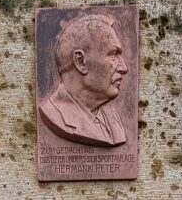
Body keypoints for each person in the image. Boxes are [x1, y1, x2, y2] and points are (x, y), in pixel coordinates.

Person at [39, 14, 129, 147]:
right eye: (113, 55)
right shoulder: (54, 114)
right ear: (81, 62)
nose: (124, 68)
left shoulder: (113, 118)